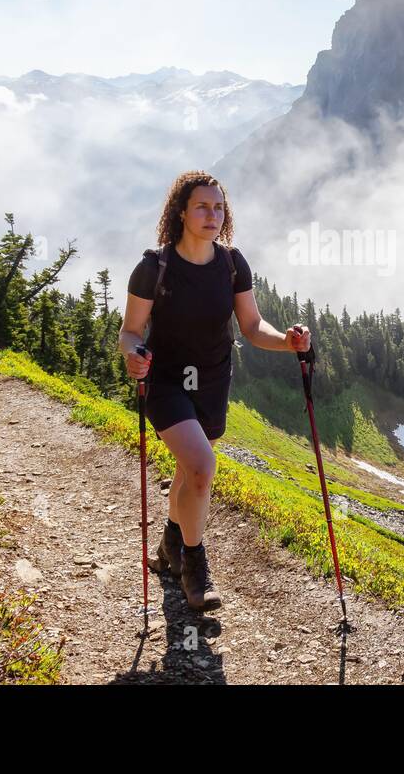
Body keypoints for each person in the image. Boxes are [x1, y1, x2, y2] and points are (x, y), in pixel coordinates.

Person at [119, 170, 310, 611]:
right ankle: (195, 565)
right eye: (202, 206)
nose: (212, 214)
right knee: (203, 467)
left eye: (219, 206)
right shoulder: (154, 267)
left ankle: (169, 545)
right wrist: (134, 354)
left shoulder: (231, 264)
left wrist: (287, 341)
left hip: (212, 380)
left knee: (189, 472)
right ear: (181, 213)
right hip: (166, 380)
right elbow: (130, 332)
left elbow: (251, 325)